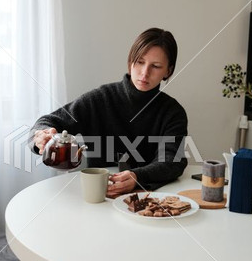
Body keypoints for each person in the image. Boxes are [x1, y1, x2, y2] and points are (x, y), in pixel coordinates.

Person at [29, 27, 188, 198]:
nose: (145, 72)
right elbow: (49, 121)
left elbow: (172, 161)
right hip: (100, 195)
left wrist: (137, 176)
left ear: (168, 71)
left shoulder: (173, 112)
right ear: (130, 61)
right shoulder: (100, 98)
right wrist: (40, 135)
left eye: (155, 66)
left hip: (151, 198)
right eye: (140, 62)